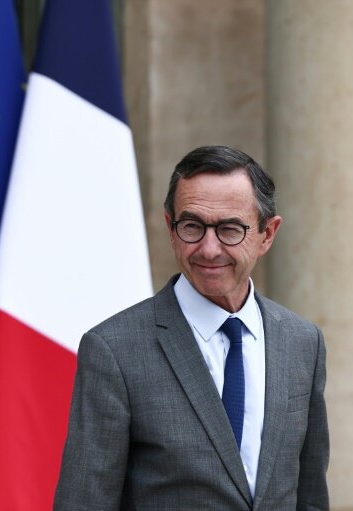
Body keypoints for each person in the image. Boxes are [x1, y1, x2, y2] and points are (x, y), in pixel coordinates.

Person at [54, 145, 329, 510]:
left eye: (230, 229)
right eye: (192, 227)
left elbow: (310, 496)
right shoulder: (114, 350)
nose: (209, 248)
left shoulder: (302, 342)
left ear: (267, 234)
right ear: (170, 227)